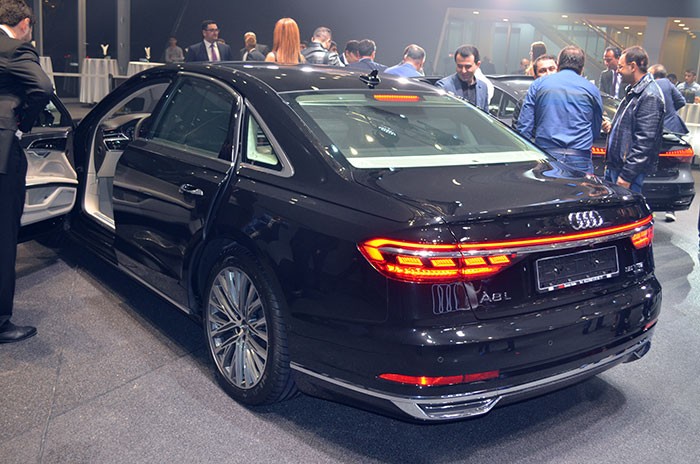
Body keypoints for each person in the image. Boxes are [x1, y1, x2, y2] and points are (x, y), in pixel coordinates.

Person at [0, 0, 53, 343]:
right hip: (4, 152)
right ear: (25, 23)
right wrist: (22, 123)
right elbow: (43, 88)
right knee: (3, 237)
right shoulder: (16, 48)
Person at [516, 45, 603, 174]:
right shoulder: (592, 89)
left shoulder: (538, 85)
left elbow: (524, 126)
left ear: (558, 64)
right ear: (582, 68)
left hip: (547, 156)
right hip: (580, 158)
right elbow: (595, 130)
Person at [604, 46, 664, 194]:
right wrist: (614, 127)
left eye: (620, 67)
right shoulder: (634, 91)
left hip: (628, 174)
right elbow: (631, 128)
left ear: (632, 67)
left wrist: (626, 175)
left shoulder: (649, 95)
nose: (617, 71)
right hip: (617, 168)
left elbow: (644, 142)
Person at [648, 63, 688, 222]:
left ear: (655, 74)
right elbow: (681, 101)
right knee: (671, 167)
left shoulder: (651, 84)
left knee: (652, 168)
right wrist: (670, 113)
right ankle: (670, 209)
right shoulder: (669, 84)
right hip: (672, 128)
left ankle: (651, 206)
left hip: (655, 128)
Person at [435, 44, 488, 112]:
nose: (463, 71)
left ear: (477, 65)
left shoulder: (483, 87)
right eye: (460, 66)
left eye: (468, 67)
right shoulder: (444, 87)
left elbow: (486, 115)